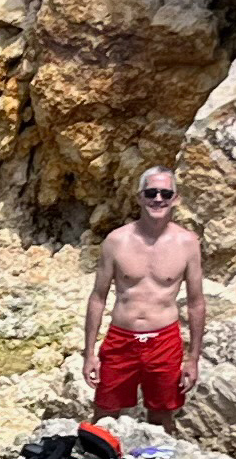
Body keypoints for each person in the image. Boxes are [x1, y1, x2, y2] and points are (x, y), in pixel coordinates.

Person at [81, 164, 207, 427]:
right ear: (140, 197)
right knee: (105, 412)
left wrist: (193, 358)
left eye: (165, 193)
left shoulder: (187, 243)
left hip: (164, 340)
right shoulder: (116, 241)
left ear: (176, 198)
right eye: (151, 193)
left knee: (162, 414)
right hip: (121, 339)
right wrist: (89, 353)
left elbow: (196, 303)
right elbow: (98, 298)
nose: (158, 199)